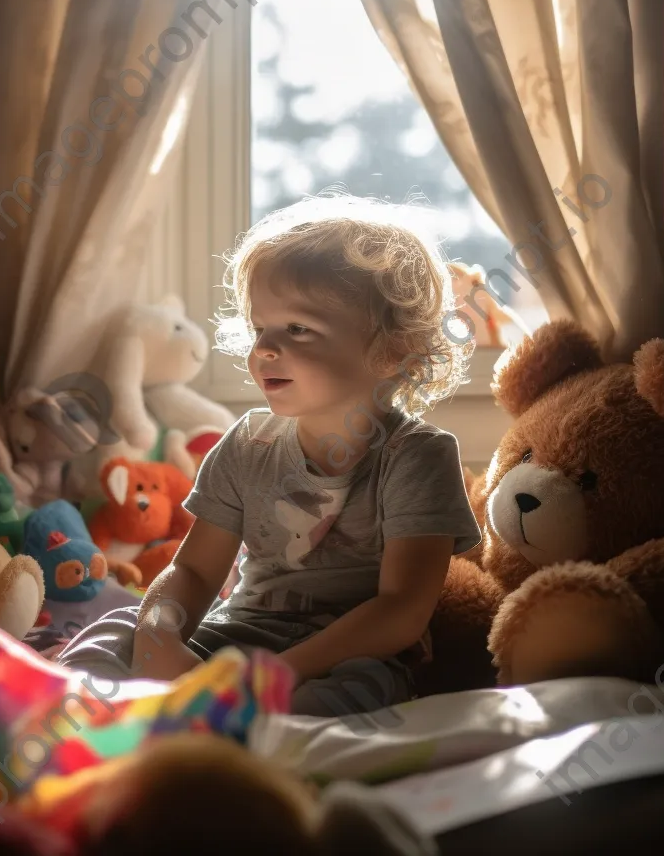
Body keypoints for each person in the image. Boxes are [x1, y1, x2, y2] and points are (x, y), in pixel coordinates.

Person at [56, 191, 482, 715]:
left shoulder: (417, 456)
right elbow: (193, 572)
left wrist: (275, 676)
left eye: (298, 328)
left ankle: (227, 747)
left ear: (393, 350)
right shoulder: (248, 441)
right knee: (117, 626)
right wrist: (158, 634)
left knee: (349, 698)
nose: (264, 350)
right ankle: (103, 719)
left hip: (342, 658)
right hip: (234, 636)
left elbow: (400, 612)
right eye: (261, 328)